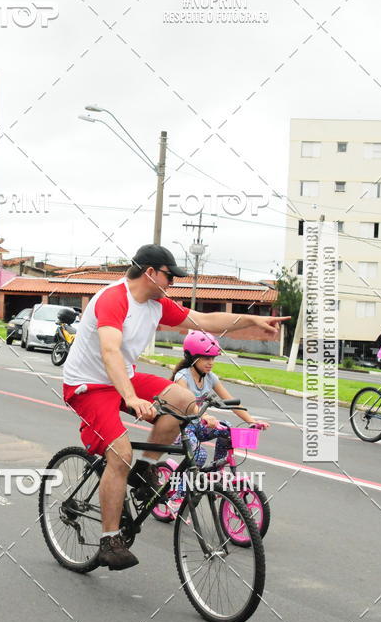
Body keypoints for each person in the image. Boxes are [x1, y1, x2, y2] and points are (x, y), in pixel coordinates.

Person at [62, 243, 288, 570]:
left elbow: (205, 320)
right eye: (170, 276)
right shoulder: (114, 299)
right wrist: (131, 398)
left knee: (184, 401)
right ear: (150, 273)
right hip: (88, 386)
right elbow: (110, 351)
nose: (173, 283)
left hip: (124, 378)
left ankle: (146, 468)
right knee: (120, 452)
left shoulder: (156, 304)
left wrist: (252, 319)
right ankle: (110, 539)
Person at [165, 330, 270, 517]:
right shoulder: (182, 376)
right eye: (206, 358)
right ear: (192, 357)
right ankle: (177, 498)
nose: (211, 362)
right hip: (178, 427)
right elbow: (186, 404)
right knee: (199, 454)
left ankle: (216, 473)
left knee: (227, 428)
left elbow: (231, 402)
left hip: (196, 425)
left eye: (213, 358)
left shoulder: (210, 378)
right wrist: (204, 417)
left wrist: (252, 421)